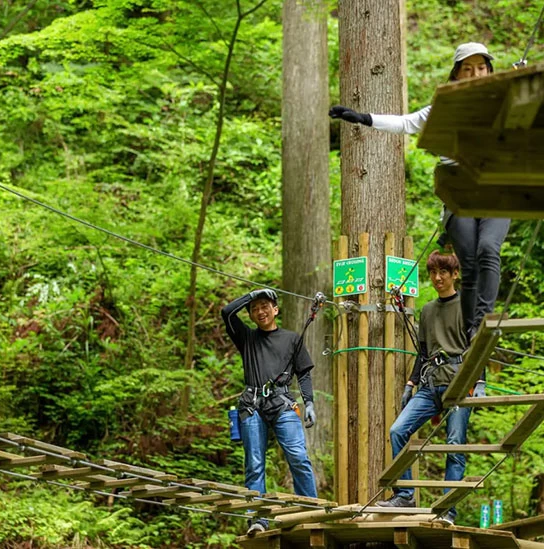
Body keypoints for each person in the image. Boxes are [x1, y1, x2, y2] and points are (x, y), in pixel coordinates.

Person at [329, 42, 511, 341]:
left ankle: (483, 322)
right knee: (470, 265)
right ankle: (471, 329)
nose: (475, 73)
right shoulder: (444, 108)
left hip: (495, 193)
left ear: (489, 71)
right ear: (456, 74)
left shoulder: (502, 102)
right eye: (468, 68)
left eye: (481, 68)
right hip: (459, 195)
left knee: (488, 250)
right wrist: (362, 118)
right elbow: (407, 123)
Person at [375, 251, 485, 525]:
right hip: (430, 383)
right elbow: (423, 353)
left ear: (454, 274)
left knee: (454, 443)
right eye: (433, 272)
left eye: (443, 272)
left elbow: (477, 348)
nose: (437, 278)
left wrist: (479, 380)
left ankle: (448, 509)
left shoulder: (467, 307)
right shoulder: (427, 310)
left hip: (459, 383)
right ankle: (404, 494)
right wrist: (411, 383)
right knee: (397, 430)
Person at [221, 288, 318, 536]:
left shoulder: (291, 339)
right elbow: (226, 312)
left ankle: (310, 510)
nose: (260, 311)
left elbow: (303, 373)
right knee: (254, 463)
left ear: (275, 309)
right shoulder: (247, 338)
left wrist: (309, 403)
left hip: (283, 403)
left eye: (265, 306)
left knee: (298, 457)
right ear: (251, 315)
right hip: (253, 405)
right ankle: (257, 519)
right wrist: (251, 295)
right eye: (255, 309)